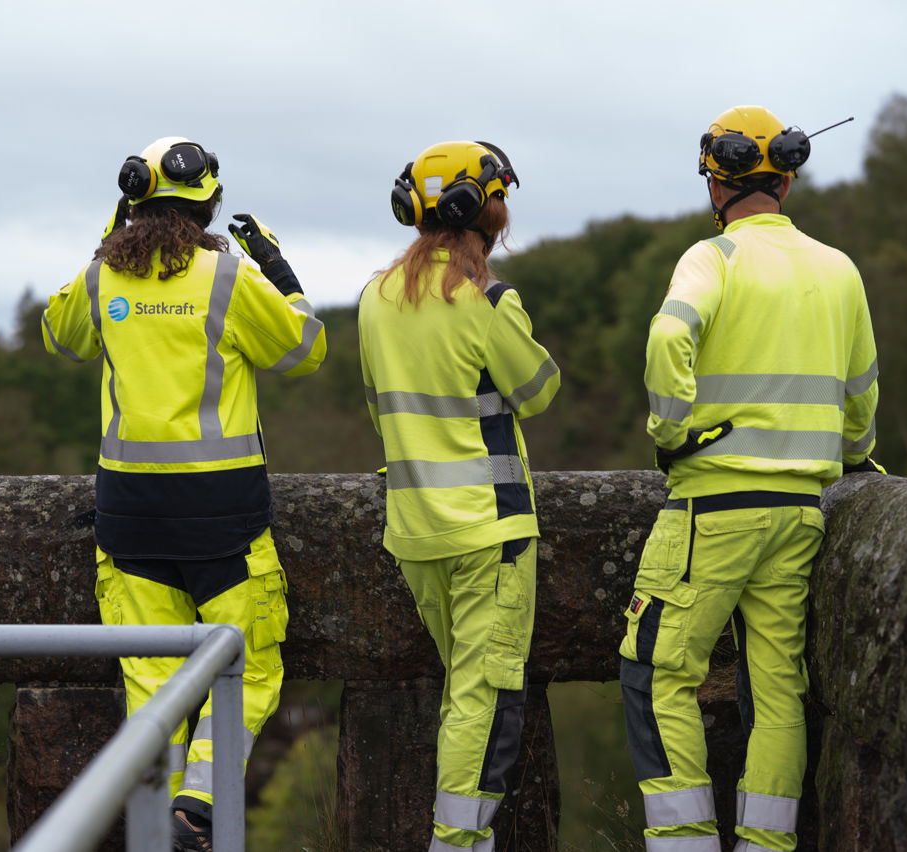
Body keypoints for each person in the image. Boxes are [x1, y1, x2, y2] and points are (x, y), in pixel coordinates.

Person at [41, 136, 326, 851]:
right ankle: (195, 808)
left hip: (131, 513)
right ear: (210, 204)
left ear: (129, 203)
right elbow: (304, 349)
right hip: (223, 516)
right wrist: (280, 269)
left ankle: (158, 818)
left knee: (150, 677)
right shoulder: (226, 276)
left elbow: (60, 336)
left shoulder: (103, 280)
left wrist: (108, 241)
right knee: (251, 665)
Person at [617, 105, 883, 852]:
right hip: (800, 509)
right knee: (778, 693)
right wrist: (855, 453)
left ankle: (685, 843)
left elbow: (670, 334)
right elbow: (862, 393)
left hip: (715, 505)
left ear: (716, 183)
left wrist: (672, 430)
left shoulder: (714, 258)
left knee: (655, 671)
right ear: (787, 179)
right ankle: (768, 846)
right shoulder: (840, 268)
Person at [358, 140, 560, 851]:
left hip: (415, 531)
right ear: (483, 208)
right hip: (489, 531)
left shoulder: (374, 298)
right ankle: (457, 841)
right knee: (485, 696)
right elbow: (538, 392)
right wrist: (507, 313)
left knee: (461, 691)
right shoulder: (486, 299)